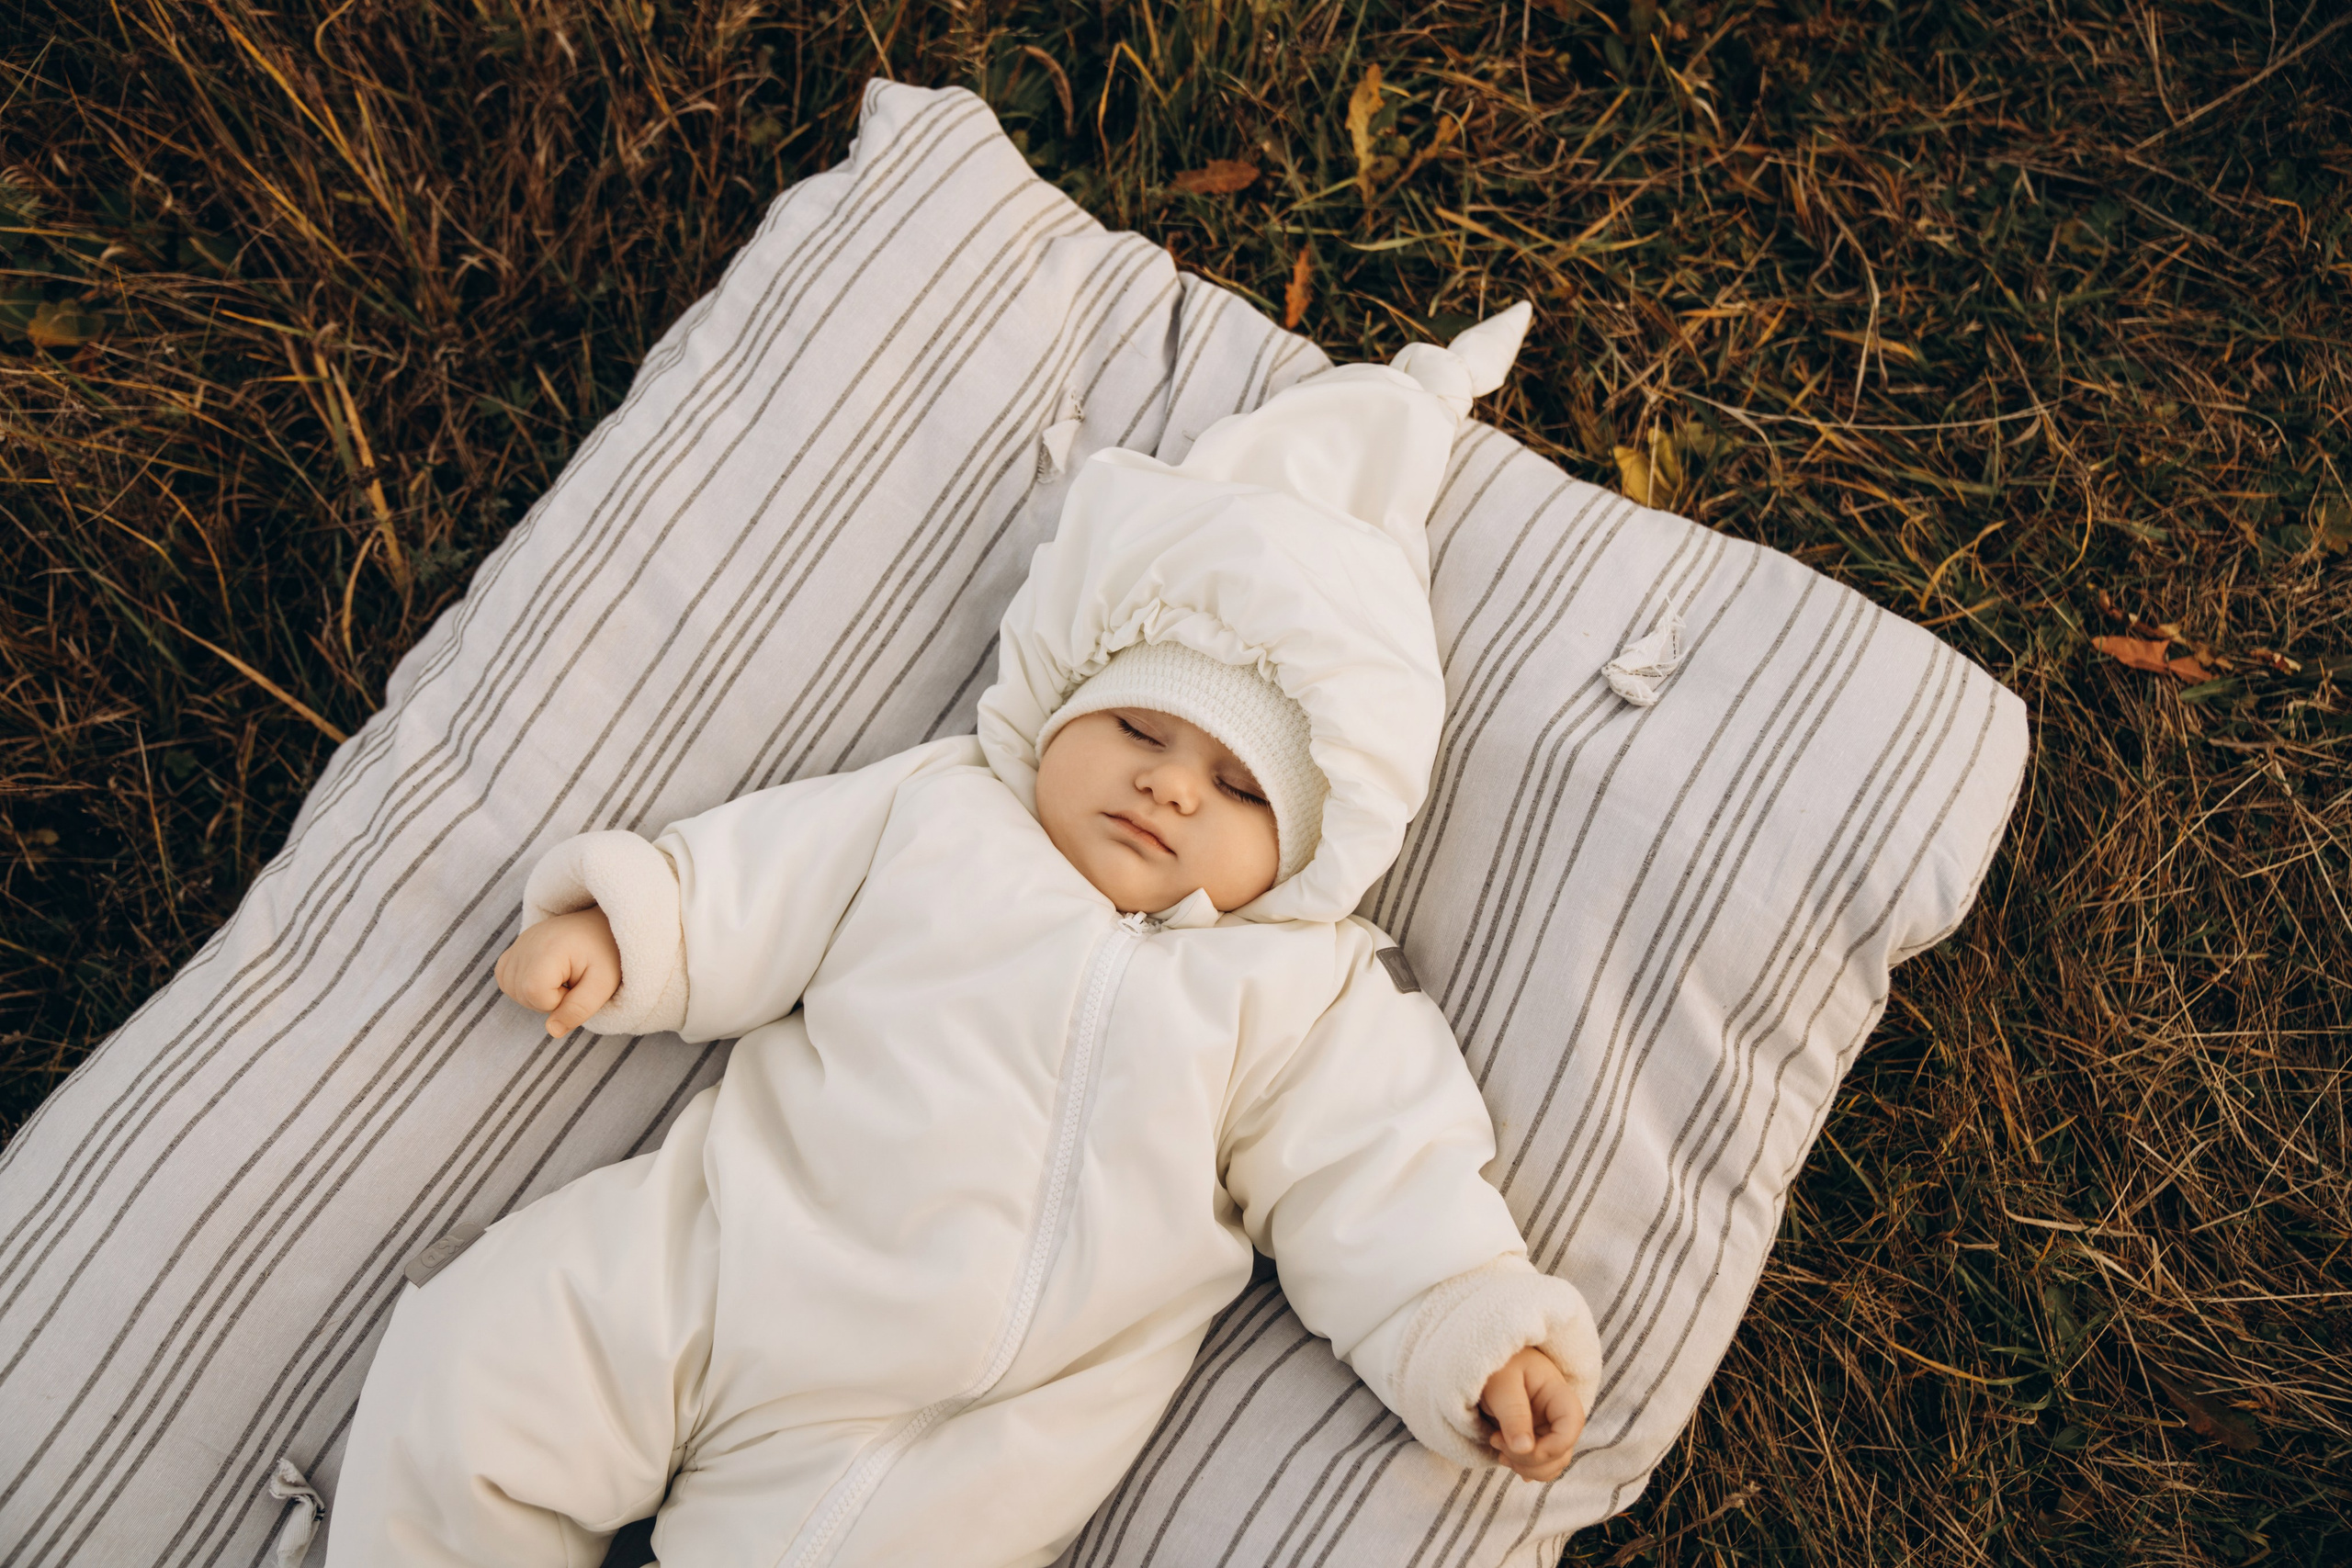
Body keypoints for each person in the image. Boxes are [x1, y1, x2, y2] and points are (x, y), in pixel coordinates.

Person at [328, 302, 1602, 1568]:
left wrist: (1469, 1324)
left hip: (960, 1430)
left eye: (1241, 788)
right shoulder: (943, 814)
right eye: (1140, 730)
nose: (1169, 787)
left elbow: (1374, 1175)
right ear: (1059, 697)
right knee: (474, 1363)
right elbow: (766, 880)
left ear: (1318, 842)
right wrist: (628, 932)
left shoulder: (1298, 993)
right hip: (721, 1265)